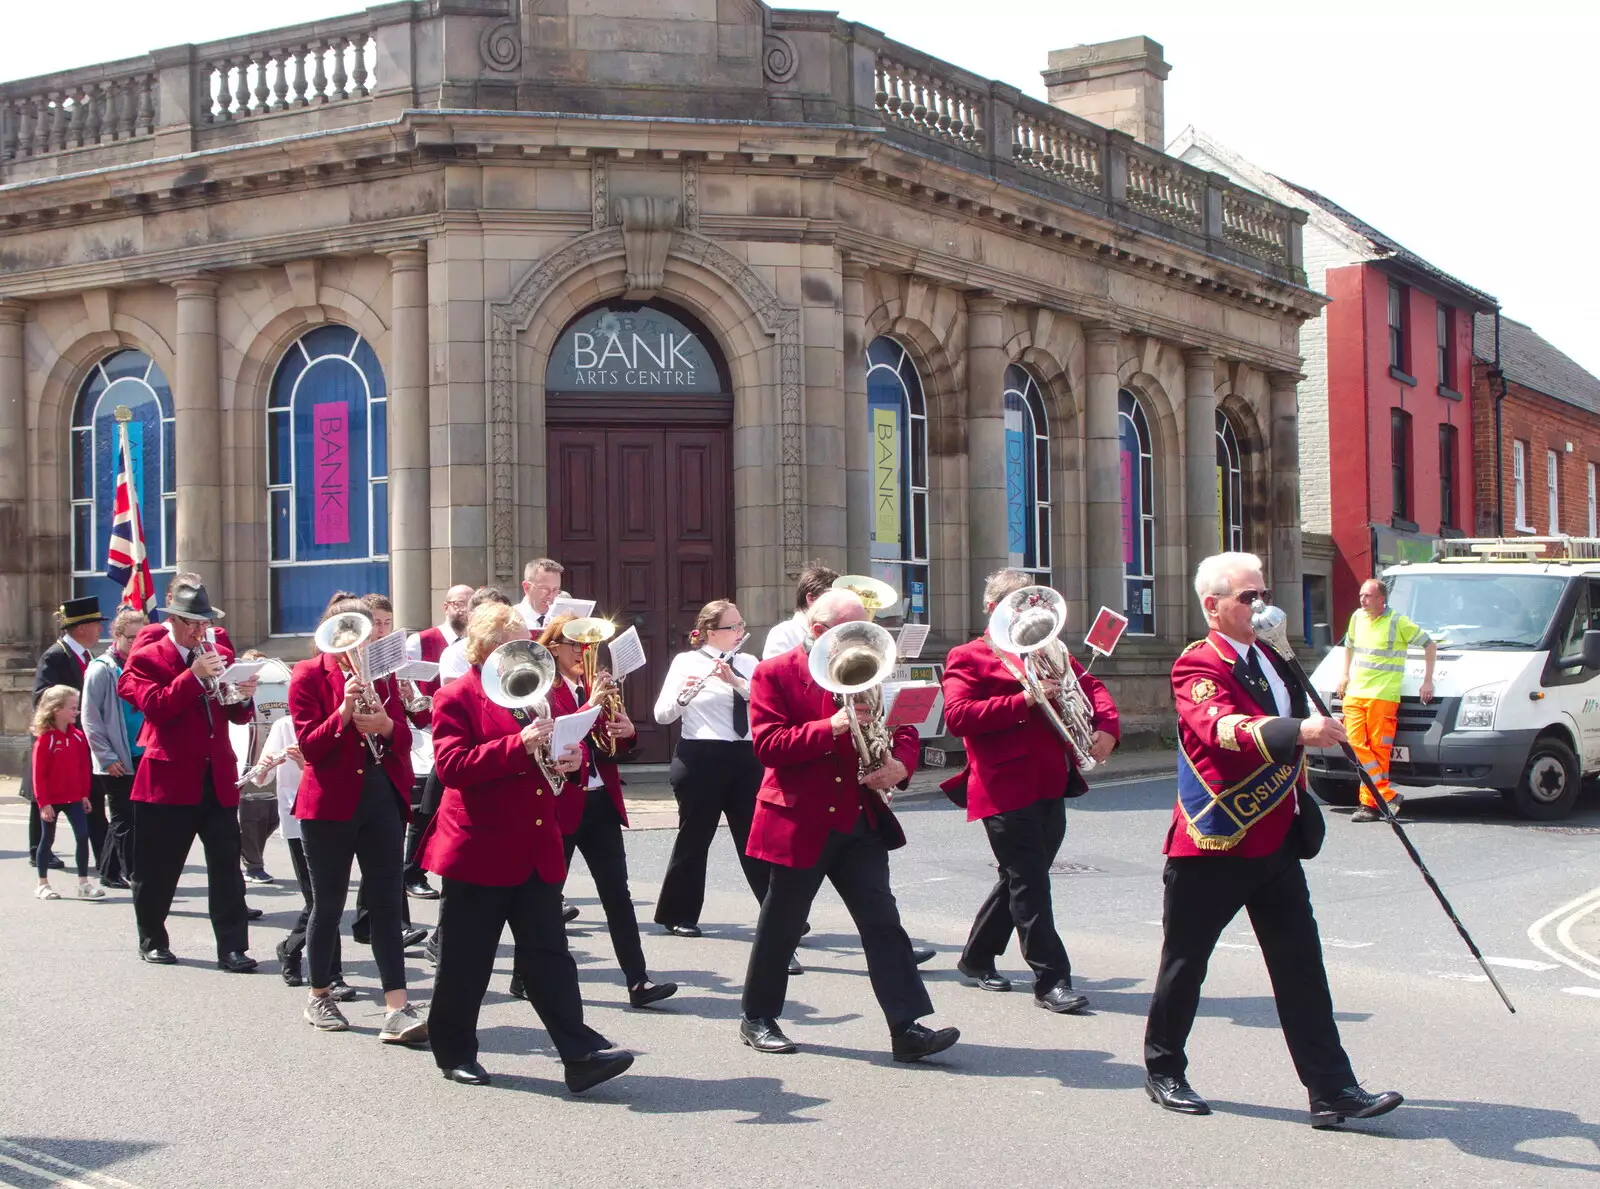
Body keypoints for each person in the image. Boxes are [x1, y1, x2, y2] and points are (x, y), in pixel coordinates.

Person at [1143, 551, 1403, 1128]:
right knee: (1186, 964)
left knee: (1301, 968)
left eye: (1263, 593)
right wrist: (1298, 731)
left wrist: (1321, 723)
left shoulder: (1273, 656)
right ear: (1213, 607)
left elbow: (1301, 713)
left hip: (1277, 840)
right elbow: (1221, 729)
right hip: (1216, 840)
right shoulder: (1198, 665)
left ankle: (1332, 1088)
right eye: (1247, 598)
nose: (1261, 606)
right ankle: (1164, 1068)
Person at [737, 588, 959, 1062]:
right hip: (799, 817)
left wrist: (901, 764)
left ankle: (907, 1027)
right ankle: (758, 1017)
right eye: (850, 630)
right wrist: (832, 727)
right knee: (783, 921)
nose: (863, 640)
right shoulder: (773, 673)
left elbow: (903, 727)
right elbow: (769, 746)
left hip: (858, 816)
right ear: (818, 631)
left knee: (883, 922)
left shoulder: (872, 670)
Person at [421, 601, 632, 1093]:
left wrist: (572, 758)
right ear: (488, 648)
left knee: (549, 954)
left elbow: (565, 752)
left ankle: (579, 1054)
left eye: (525, 643)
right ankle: (454, 1050)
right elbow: (453, 768)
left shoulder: (542, 693)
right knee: (466, 959)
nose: (523, 653)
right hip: (480, 846)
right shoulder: (457, 696)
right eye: (512, 644)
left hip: (537, 842)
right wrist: (519, 745)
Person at [941, 569, 1119, 1011]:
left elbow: (1091, 687)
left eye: (1030, 607)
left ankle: (977, 957)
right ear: (992, 610)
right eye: (1014, 608)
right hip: (1002, 786)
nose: (1025, 616)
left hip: (1051, 779)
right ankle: (1051, 980)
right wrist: (1026, 698)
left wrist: (1108, 727)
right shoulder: (969, 656)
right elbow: (959, 716)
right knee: (1031, 883)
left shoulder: (1048, 647)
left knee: (1021, 878)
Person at [288, 597, 426, 1043]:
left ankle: (397, 1007)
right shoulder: (309, 674)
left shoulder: (382, 675)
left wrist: (386, 725)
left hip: (381, 798)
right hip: (329, 804)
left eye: (364, 631)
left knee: (387, 904)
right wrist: (344, 711)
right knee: (327, 905)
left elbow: (403, 737)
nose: (358, 641)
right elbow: (310, 747)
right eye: (348, 632)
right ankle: (319, 994)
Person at [534, 613, 677, 1009]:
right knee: (545, 897)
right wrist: (592, 706)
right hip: (561, 803)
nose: (584, 653)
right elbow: (557, 738)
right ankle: (524, 975)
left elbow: (612, 751)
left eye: (589, 647)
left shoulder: (595, 685)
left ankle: (638, 980)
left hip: (601, 803)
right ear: (553, 650)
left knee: (618, 895)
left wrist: (626, 731)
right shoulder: (544, 690)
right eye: (575, 646)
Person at [119, 582, 260, 971]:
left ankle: (232, 948)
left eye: (206, 624)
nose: (202, 632)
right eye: (195, 624)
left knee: (227, 867)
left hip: (216, 775)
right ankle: (152, 938)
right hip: (168, 778)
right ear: (175, 621)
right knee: (158, 868)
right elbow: (155, 708)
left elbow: (235, 715)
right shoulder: (149, 657)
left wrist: (243, 694)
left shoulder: (220, 654)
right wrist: (193, 676)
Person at [651, 599, 769, 936]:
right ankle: (678, 914)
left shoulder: (749, 661)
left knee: (755, 838)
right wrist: (683, 695)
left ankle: (779, 911)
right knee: (695, 836)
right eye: (732, 627)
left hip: (746, 758)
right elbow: (662, 715)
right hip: (700, 756)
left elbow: (765, 703)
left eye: (740, 625)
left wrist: (736, 681)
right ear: (708, 632)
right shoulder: (686, 662)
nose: (739, 632)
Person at [348, 594, 427, 950]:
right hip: (357, 773)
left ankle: (372, 923)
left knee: (384, 855)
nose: (380, 631)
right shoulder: (350, 664)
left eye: (385, 623)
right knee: (380, 859)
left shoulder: (394, 662)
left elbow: (420, 720)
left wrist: (412, 692)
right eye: (375, 623)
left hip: (393, 766)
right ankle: (394, 923)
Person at [1335, 578, 1436, 822]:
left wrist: (1428, 680)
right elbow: (1349, 646)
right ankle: (1385, 794)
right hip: (1356, 692)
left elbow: (1429, 645)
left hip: (1383, 695)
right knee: (1354, 744)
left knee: (1379, 751)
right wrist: (1344, 674)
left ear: (1382, 599)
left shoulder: (1397, 621)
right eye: (1361, 595)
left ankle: (1369, 805)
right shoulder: (1357, 618)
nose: (1362, 600)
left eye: (1368, 595)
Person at [402, 584, 473, 899]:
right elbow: (406, 679)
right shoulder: (423, 640)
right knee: (427, 809)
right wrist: (419, 706)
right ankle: (412, 872)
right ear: (446, 606)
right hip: (427, 733)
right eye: (460, 603)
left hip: (459, 733)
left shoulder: (476, 644)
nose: (465, 609)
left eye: (471, 604)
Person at [30, 596, 107, 873]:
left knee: (88, 792)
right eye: (96, 624)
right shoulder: (55, 655)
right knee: (45, 794)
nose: (100, 630)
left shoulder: (90, 655)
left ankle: (103, 853)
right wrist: (67, 710)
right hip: (57, 734)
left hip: (82, 737)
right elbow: (40, 697)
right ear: (81, 627)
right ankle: (38, 849)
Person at [82, 608, 147, 889]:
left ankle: (108, 871)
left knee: (132, 817)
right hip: (116, 758)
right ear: (118, 636)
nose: (137, 644)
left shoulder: (143, 665)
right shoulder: (101, 669)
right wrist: (106, 758)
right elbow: (90, 718)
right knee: (125, 819)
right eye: (132, 638)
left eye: (142, 638)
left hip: (142, 753)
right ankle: (135, 876)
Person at [31, 686, 104, 902]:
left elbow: (83, 769)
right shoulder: (46, 739)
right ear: (56, 710)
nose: (76, 711)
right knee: (47, 840)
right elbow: (38, 774)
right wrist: (43, 803)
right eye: (72, 707)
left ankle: (83, 883)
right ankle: (42, 883)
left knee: (83, 836)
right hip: (51, 800)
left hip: (74, 798)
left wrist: (84, 795)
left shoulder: (79, 737)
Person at [230, 649, 280, 884]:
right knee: (253, 816)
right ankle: (254, 865)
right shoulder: (239, 690)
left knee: (274, 816)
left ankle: (246, 851)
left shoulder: (275, 685)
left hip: (275, 761)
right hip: (249, 761)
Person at [762, 559, 839, 660]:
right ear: (811, 598)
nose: (839, 606)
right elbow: (777, 672)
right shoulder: (784, 633)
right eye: (834, 599)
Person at [514, 558, 566, 633]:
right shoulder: (510, 619)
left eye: (555, 589)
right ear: (527, 587)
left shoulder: (563, 620)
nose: (551, 596)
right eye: (544, 588)